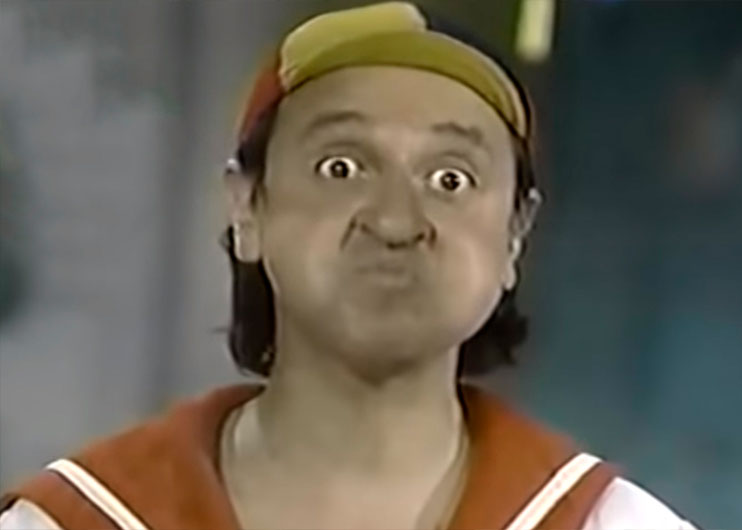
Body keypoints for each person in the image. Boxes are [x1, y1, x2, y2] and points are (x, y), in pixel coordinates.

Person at [0, 3, 696, 529]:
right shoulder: (83, 518)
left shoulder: (608, 523)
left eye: (450, 179)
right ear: (248, 206)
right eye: (342, 167)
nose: (395, 222)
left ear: (515, 235)